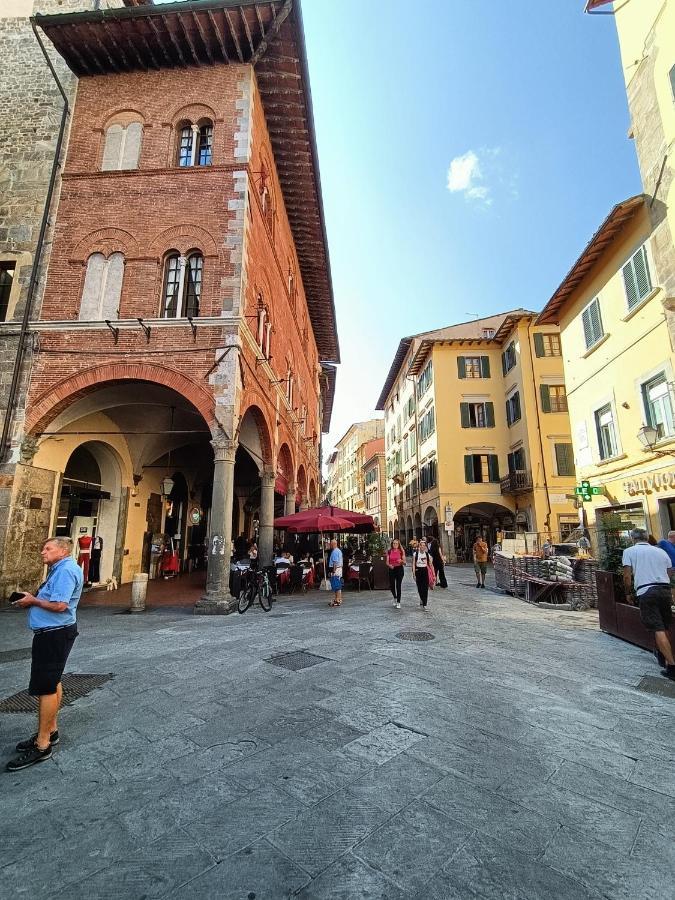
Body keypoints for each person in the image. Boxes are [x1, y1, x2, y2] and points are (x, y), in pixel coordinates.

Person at [6, 537, 83, 772]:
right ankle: (51, 729)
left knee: (46, 687)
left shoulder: (65, 570)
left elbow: (61, 605)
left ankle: (42, 744)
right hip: (53, 632)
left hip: (54, 634)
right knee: (53, 681)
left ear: (63, 550)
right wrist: (33, 600)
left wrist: (33, 601)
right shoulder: (60, 569)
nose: (42, 552)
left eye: (48, 548)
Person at [622, 528, 675, 681]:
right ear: (647, 538)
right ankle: (662, 654)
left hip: (646, 591)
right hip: (664, 589)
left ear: (633, 538)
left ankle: (671, 666)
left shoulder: (630, 551)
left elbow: (627, 576)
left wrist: (628, 593)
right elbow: (669, 571)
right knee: (664, 626)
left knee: (657, 628)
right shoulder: (660, 551)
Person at [412, 538, 434, 610]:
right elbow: (413, 565)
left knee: (425, 588)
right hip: (418, 571)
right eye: (421, 545)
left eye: (424, 545)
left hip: (425, 571)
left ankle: (425, 603)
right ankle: (421, 598)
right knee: (419, 588)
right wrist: (414, 574)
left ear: (425, 547)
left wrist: (433, 574)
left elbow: (430, 565)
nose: (422, 547)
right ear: (419, 546)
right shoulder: (415, 554)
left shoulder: (427, 555)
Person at [386, 538, 406, 608]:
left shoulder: (401, 551)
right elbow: (387, 562)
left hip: (399, 569)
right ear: (392, 544)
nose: (395, 545)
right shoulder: (389, 551)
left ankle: (398, 602)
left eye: (396, 543)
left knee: (398, 585)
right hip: (392, 569)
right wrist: (389, 565)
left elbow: (405, 563)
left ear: (398, 544)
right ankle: (395, 597)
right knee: (392, 586)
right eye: (394, 543)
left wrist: (401, 561)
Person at [328, 539, 343, 607]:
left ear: (333, 544)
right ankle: (338, 599)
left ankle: (337, 600)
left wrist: (333, 571)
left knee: (336, 586)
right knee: (338, 585)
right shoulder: (338, 551)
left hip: (336, 569)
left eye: (330, 544)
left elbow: (335, 562)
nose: (330, 545)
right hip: (339, 569)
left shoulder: (335, 552)